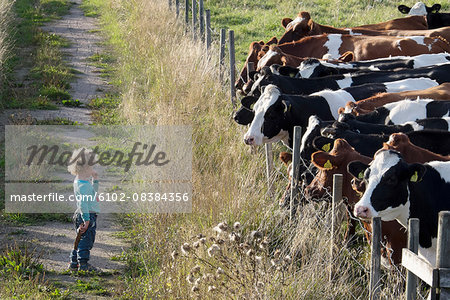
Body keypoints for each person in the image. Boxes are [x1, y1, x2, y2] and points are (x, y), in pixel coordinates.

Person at [67, 148, 101, 272]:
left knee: (80, 238)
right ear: (85, 168)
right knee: (86, 241)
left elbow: (94, 193)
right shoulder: (83, 186)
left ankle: (74, 262)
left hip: (83, 214)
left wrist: (95, 180)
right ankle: (83, 264)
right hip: (87, 215)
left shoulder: (80, 181)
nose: (93, 170)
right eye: (91, 167)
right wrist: (86, 220)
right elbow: (82, 203)